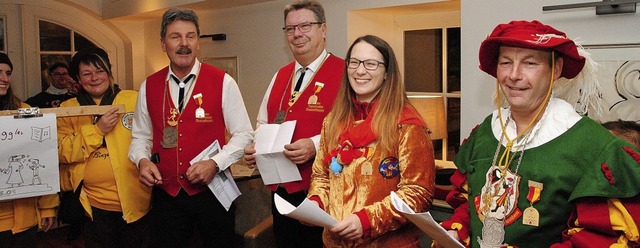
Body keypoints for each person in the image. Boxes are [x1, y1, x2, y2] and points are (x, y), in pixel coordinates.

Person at [436, 20, 640, 247]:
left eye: (529, 63)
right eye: (505, 62)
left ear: (556, 69)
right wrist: (456, 232)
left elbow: (599, 237)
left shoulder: (593, 145)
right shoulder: (486, 131)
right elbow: (467, 202)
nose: (513, 75)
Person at [128, 7, 253, 248]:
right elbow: (140, 137)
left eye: (191, 36)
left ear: (198, 43)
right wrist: (142, 161)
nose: (184, 43)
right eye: (175, 36)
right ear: (163, 43)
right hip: (167, 197)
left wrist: (215, 163)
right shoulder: (148, 86)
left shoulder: (223, 81)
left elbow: (245, 134)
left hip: (213, 195)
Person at [306, 35, 436, 247]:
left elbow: (417, 194)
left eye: (371, 64)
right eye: (354, 62)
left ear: (387, 73)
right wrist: (316, 203)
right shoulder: (333, 121)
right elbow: (322, 176)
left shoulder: (406, 124)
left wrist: (365, 221)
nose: (360, 70)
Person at [242, 1, 344, 247]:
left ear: (324, 29)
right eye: (290, 29)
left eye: (305, 26)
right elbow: (263, 121)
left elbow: (354, 128)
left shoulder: (345, 73)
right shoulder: (280, 74)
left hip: (325, 191)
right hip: (282, 192)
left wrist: (314, 145)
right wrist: (256, 147)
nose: (297, 34)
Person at [57, 47, 151, 248]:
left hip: (136, 200)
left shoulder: (133, 98)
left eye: (100, 71)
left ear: (109, 72)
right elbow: (60, 151)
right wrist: (97, 131)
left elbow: (152, 138)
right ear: (78, 79)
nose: (94, 78)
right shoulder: (67, 109)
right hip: (93, 206)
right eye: (87, 73)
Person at [0, 52, 58, 247]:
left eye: (8, 73)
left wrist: (48, 207)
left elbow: (44, 158)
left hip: (24, 220)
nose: (4, 78)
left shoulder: (25, 110)